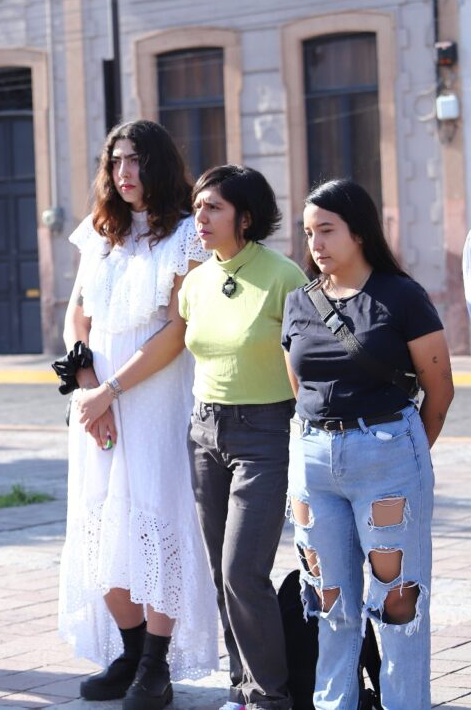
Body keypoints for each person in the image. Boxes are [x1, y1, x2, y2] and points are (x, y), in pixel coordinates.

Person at [59, 120, 218, 710]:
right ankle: (128, 654)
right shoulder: (100, 234)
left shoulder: (185, 238)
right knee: (102, 523)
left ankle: (157, 664)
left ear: (159, 165)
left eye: (136, 161)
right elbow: (77, 315)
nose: (124, 172)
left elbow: (176, 331)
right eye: (115, 161)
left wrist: (113, 391)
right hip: (95, 400)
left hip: (153, 399)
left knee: (156, 515)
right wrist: (88, 390)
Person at [282, 179, 453, 709]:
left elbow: (439, 389)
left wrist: (401, 453)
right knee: (329, 602)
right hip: (313, 460)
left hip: (387, 456)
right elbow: (300, 387)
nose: (316, 244)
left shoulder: (401, 296)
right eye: (310, 233)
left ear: (359, 231)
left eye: (327, 230)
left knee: (397, 601)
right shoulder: (299, 302)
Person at [179, 165, 308, 710]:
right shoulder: (195, 280)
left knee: (241, 571)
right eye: (198, 206)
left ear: (245, 217)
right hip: (205, 432)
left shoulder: (284, 277)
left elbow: (309, 363)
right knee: (218, 572)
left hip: (265, 432)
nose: (201, 218)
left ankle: (269, 697)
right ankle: (241, 687)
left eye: (214, 207)